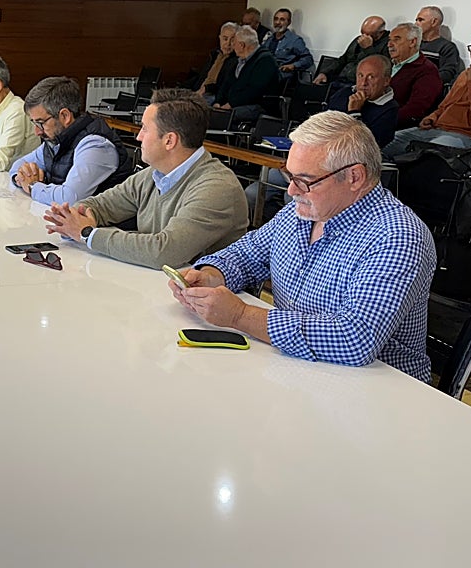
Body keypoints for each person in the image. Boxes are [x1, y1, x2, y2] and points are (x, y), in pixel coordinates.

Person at [170, 110, 435, 381]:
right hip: (299, 371)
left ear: (355, 177)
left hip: (380, 392)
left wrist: (239, 316)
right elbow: (246, 255)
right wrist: (211, 274)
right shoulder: (301, 212)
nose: (292, 191)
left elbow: (355, 338)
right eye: (290, 176)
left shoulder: (398, 236)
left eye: (306, 180)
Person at [43, 89, 248, 267]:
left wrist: (87, 233)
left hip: (204, 303)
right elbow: (102, 204)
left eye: (144, 129)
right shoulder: (153, 174)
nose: (138, 137)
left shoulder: (217, 188)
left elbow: (164, 252)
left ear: (169, 141)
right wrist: (76, 217)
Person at [247, 55, 399, 221]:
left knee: (292, 200)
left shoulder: (389, 111)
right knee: (252, 192)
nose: (363, 83)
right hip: (309, 162)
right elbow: (320, 127)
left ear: (386, 81)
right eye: (360, 75)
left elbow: (363, 150)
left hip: (333, 173)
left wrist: (355, 112)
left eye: (371, 77)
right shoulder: (344, 94)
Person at [385, 27, 471, 156]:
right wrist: (433, 117)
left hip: (470, 137)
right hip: (439, 128)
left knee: (430, 155)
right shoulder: (468, 73)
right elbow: (446, 104)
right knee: (384, 145)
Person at [8, 76, 132, 204]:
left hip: (105, 223)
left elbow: (69, 198)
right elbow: (18, 165)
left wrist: (32, 186)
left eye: (40, 123)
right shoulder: (56, 140)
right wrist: (22, 177)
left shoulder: (96, 145)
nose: (37, 132)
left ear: (65, 116)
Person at [214, 25, 279, 120]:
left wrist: (230, 104)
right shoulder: (239, 60)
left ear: (242, 45)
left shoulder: (265, 61)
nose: (232, 45)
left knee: (224, 117)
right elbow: (226, 84)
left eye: (234, 42)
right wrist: (218, 102)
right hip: (233, 104)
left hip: (257, 106)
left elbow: (253, 91)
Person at [387, 22, 443, 129]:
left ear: (412, 42)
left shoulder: (427, 71)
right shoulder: (385, 64)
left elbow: (415, 110)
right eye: (390, 39)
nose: (389, 44)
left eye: (396, 39)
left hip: (396, 125)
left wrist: (382, 120)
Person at [313, 15, 389, 86]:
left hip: (358, 84)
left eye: (369, 34)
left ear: (380, 33)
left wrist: (368, 49)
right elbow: (343, 60)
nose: (363, 37)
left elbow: (379, 67)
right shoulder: (358, 39)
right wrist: (325, 73)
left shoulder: (389, 44)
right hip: (340, 79)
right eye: (362, 33)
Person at [415, 5, 464, 85]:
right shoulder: (414, 44)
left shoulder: (447, 47)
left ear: (434, 22)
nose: (416, 24)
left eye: (421, 20)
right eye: (416, 20)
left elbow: (447, 74)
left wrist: (421, 81)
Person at [261, 8, 311, 83]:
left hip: (282, 76)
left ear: (289, 22)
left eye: (282, 20)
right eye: (276, 19)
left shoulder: (295, 40)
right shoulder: (269, 39)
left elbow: (308, 59)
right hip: (267, 71)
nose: (277, 22)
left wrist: (293, 66)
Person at [192, 22, 238, 100]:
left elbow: (225, 86)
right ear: (219, 38)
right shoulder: (214, 54)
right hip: (199, 91)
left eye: (232, 40)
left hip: (214, 96)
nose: (228, 43)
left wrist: (206, 89)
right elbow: (201, 76)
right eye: (225, 39)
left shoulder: (236, 61)